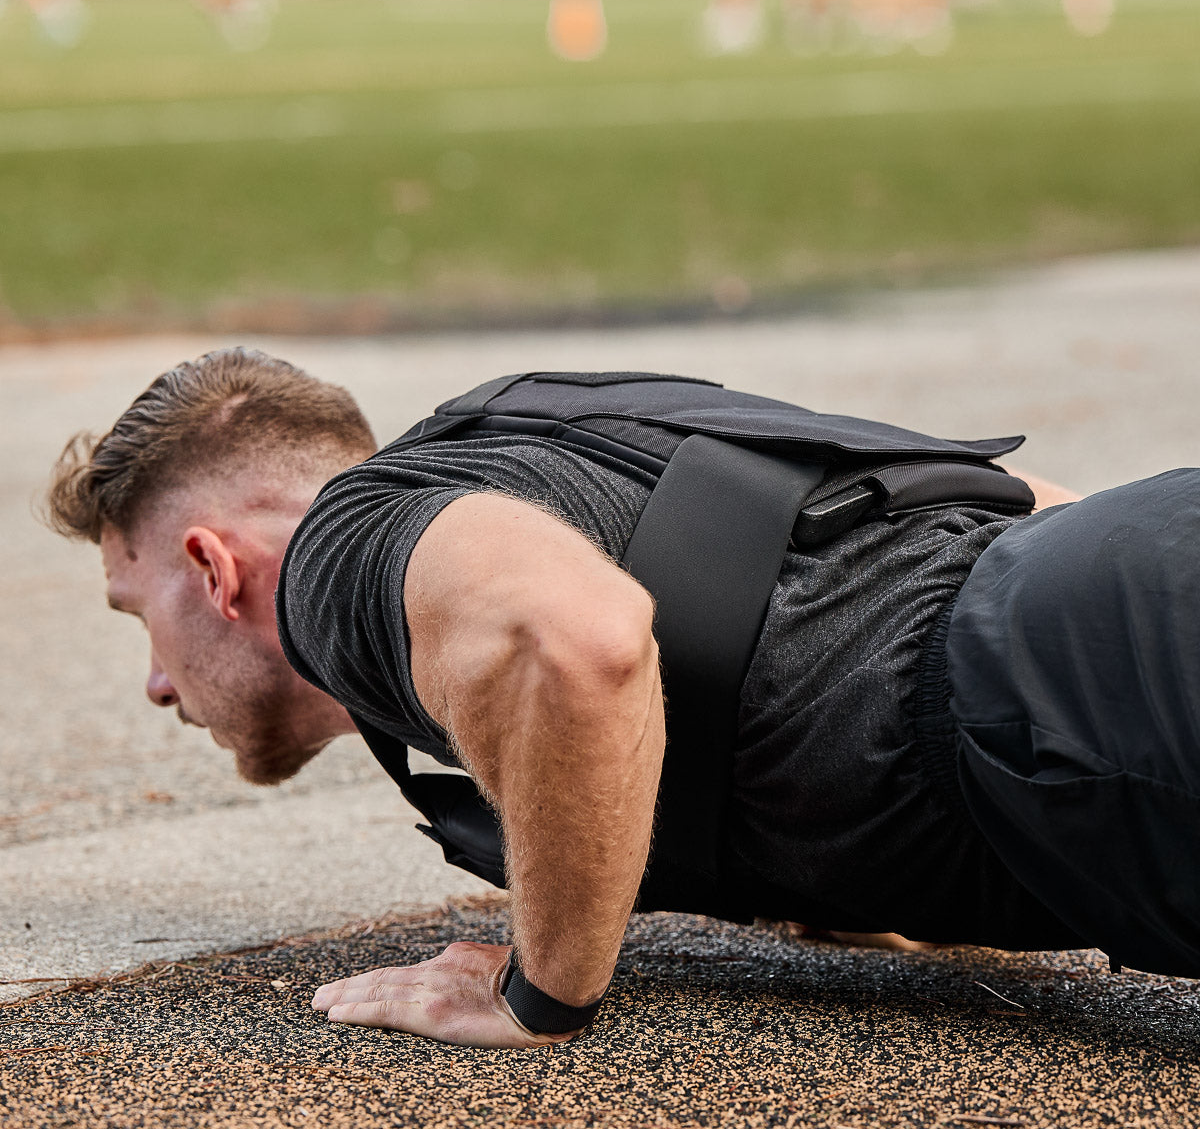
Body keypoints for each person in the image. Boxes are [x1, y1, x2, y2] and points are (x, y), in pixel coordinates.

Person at [44, 348, 1200, 1049]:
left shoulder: (336, 555)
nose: (157, 683)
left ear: (211, 567)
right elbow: (1006, 503)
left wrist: (540, 987)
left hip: (1050, 698)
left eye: (133, 613)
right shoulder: (543, 429)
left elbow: (576, 640)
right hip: (1116, 579)